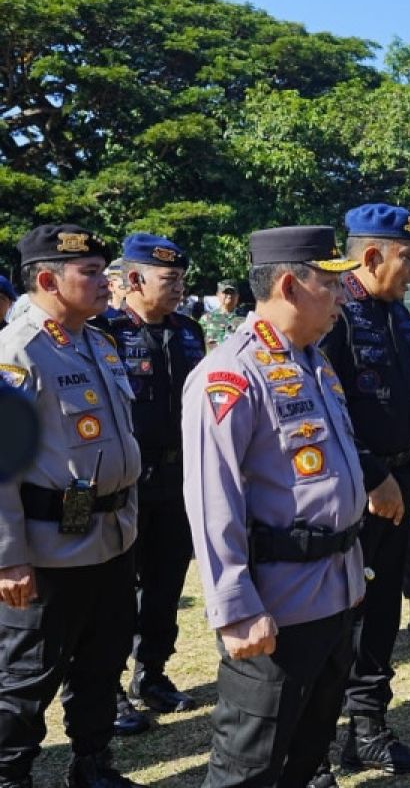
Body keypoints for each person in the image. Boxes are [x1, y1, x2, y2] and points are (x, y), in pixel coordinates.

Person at [181, 225, 366, 788]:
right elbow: (212, 500)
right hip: (276, 608)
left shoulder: (314, 359)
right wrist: (236, 609)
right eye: (331, 286)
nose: (341, 298)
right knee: (248, 766)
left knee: (307, 754)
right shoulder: (229, 374)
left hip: (336, 592)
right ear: (290, 284)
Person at [0, 224, 143, 788]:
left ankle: (92, 764)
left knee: (102, 662)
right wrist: (8, 557)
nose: (105, 281)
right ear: (46, 279)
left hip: (110, 535)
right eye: (90, 273)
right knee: (26, 676)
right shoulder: (17, 352)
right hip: (48, 546)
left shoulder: (96, 341)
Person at [319, 204, 410, 776]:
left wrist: (403, 476)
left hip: (398, 485)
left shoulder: (399, 315)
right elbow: (320, 412)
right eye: (406, 258)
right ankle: (313, 752)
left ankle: (367, 732)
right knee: (335, 624)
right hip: (350, 493)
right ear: (370, 257)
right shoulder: (335, 312)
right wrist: (372, 476)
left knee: (382, 616)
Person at [98, 234, 206, 736]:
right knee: (120, 591)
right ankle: (110, 687)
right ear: (135, 280)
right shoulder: (107, 333)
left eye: (182, 279)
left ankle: (153, 674)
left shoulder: (188, 331)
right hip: (129, 484)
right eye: (170, 279)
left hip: (178, 480)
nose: (179, 288)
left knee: (165, 587)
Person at [201, 280, 242, 350]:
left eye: (232, 293)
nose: (229, 296)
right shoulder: (206, 319)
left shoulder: (246, 320)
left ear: (237, 296)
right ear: (218, 295)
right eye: (226, 292)